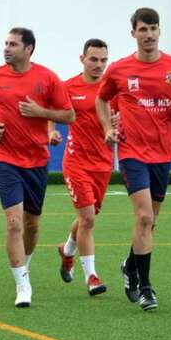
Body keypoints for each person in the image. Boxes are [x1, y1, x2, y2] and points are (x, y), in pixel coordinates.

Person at [96, 7, 171, 311]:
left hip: (163, 153)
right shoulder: (119, 69)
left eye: (153, 28)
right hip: (131, 152)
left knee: (151, 221)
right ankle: (146, 288)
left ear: (159, 31)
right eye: (143, 29)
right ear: (134, 34)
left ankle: (130, 265)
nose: (149, 35)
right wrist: (107, 128)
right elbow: (101, 99)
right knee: (143, 217)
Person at [0, 27, 75, 307]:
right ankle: (22, 284)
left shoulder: (48, 77)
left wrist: (41, 113)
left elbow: (69, 115)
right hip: (5, 158)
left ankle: (24, 265)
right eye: (5, 43)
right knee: (14, 223)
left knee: (32, 224)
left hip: (37, 161)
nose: (6, 48)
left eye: (13, 44)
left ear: (28, 49)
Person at [50, 39, 113, 296]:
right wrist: (51, 132)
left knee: (86, 218)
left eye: (103, 60)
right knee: (87, 219)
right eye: (93, 59)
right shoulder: (68, 87)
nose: (98, 65)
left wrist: (118, 122)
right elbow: (53, 113)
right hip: (76, 163)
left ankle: (67, 252)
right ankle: (92, 277)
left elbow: (119, 118)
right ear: (82, 59)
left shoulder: (112, 88)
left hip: (103, 164)